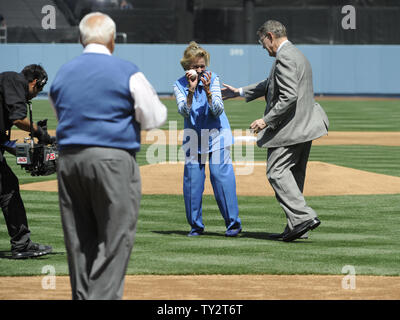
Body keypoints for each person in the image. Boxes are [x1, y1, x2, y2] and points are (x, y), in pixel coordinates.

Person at [50, 12, 167, 300]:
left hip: (69, 161)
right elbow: (154, 117)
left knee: (78, 239)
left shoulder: (64, 72)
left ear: (81, 39)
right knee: (114, 239)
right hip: (113, 159)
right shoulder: (126, 70)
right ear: (112, 40)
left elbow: (60, 113)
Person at [222, 20, 329, 242]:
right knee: (294, 174)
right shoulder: (296, 54)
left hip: (291, 127)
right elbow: (271, 83)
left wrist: (266, 120)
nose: (264, 48)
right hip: (306, 125)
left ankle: (303, 217)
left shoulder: (285, 57)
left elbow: (288, 96)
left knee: (276, 172)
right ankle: (296, 226)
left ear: (270, 36)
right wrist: (239, 91)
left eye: (264, 43)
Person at [173, 41, 242, 237]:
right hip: (194, 137)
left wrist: (209, 92)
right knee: (193, 182)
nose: (200, 69)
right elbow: (183, 111)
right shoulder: (179, 85)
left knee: (221, 178)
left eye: (202, 66)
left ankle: (233, 225)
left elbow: (218, 110)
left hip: (217, 135)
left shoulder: (213, 79)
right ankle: (195, 226)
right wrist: (192, 91)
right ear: (187, 68)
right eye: (195, 66)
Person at [0, 64, 54, 259]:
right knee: (8, 191)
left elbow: (2, 139)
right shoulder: (14, 79)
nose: (36, 93)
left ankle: (22, 244)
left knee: (8, 188)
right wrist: (43, 135)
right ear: (35, 82)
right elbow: (19, 119)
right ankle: (22, 245)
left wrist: (24, 154)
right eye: (39, 88)